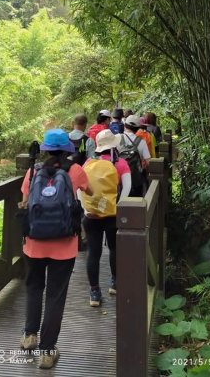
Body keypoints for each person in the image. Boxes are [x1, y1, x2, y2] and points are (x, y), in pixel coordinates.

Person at [20, 129, 92, 369]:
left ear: (46, 149)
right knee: (55, 296)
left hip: (34, 243)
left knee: (33, 288)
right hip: (64, 245)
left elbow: (25, 198)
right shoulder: (75, 170)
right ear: (67, 149)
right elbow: (89, 191)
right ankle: (47, 352)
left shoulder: (33, 171)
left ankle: (29, 336)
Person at [81, 129, 131, 307]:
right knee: (114, 248)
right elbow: (127, 188)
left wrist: (85, 209)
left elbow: (81, 188)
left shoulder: (89, 162)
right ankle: (115, 283)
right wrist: (118, 207)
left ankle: (94, 292)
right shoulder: (121, 163)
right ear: (115, 145)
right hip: (112, 215)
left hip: (92, 216)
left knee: (93, 253)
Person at [117, 114, 151, 196]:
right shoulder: (141, 142)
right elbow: (148, 162)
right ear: (137, 129)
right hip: (136, 180)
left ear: (125, 125)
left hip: (119, 179)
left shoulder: (116, 138)